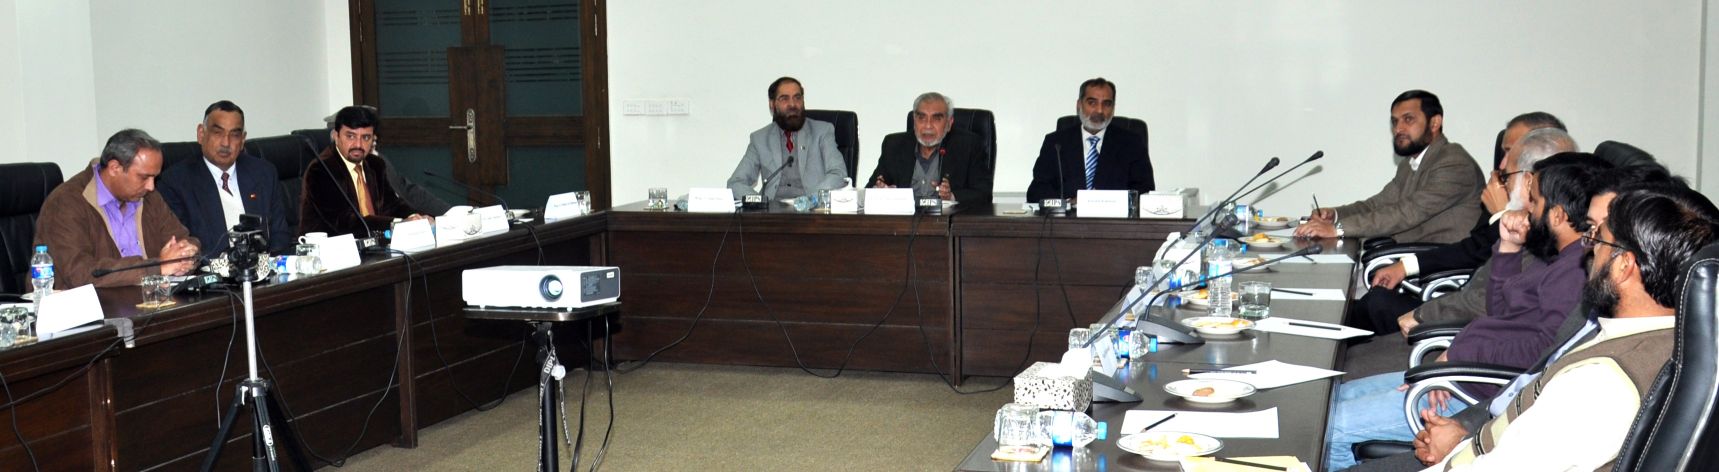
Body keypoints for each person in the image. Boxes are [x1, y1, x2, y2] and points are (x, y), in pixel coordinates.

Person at [1346, 164, 1682, 472]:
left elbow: (1535, 360)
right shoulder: (1578, 285)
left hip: (1468, 398)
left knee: (1332, 426)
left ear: (1626, 264)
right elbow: (1505, 324)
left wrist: (1458, 366)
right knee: (1335, 400)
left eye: (1596, 233)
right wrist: (1508, 248)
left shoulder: (1604, 369)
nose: (1588, 244)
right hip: (1479, 412)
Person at [1417, 183, 1719, 470]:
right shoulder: (1664, 338)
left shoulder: (1598, 385)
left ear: (1624, 265)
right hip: (1476, 442)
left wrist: (1456, 453)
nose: (1589, 250)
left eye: (1599, 240)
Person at [1351, 126, 1576, 335]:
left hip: (1460, 325)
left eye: (1509, 156)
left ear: (1530, 180)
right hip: (1456, 302)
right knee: (1369, 306)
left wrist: (1502, 217)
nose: (1501, 165)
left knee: (1373, 308)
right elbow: (1474, 249)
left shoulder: (1546, 235)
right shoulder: (1515, 211)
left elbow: (1493, 304)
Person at [1297, 90, 1484, 244]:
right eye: (1395, 122)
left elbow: (1407, 213)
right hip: (1412, 256)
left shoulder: (1453, 163)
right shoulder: (1409, 164)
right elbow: (1377, 205)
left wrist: (1337, 229)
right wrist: (1336, 215)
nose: (1398, 129)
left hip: (1440, 264)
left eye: (1408, 119)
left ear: (1434, 123)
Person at [34, 129, 199, 288]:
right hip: (87, 305)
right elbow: (80, 273)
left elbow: (183, 240)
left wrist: (185, 256)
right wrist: (157, 268)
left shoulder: (149, 197)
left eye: (155, 177)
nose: (151, 186)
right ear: (114, 168)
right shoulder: (65, 202)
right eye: (144, 177)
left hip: (148, 299)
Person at [157, 101, 295, 257]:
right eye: (218, 133)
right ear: (201, 134)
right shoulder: (175, 181)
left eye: (234, 135)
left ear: (242, 140)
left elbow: (280, 235)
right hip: (213, 269)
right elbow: (184, 246)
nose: (226, 143)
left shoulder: (264, 173)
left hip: (265, 266)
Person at [300, 106, 430, 236]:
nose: (358, 145)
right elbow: (344, 222)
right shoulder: (321, 169)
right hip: (332, 244)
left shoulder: (376, 164)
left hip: (373, 242)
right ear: (336, 136)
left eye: (366, 137)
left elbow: (392, 205)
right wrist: (398, 223)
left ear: (373, 139)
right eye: (350, 136)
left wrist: (417, 218)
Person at [1025, 77, 1153, 203]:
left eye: (1107, 104)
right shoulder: (1056, 143)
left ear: (1113, 108)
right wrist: (1068, 203)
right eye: (1092, 103)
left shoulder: (1131, 143)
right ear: (1079, 105)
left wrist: (1105, 202)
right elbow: (1037, 190)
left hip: (1114, 216)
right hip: (1068, 215)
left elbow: (1144, 190)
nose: (1099, 110)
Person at [726, 77, 849, 200]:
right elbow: (736, 183)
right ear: (772, 104)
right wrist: (759, 202)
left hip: (811, 207)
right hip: (772, 208)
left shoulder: (822, 131)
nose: (793, 104)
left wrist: (811, 200)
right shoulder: (760, 139)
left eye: (797, 97)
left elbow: (839, 174)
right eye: (784, 98)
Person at [866, 92, 993, 205]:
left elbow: (984, 193)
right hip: (903, 221)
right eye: (921, 118)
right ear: (914, 121)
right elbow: (871, 188)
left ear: (949, 123)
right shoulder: (894, 145)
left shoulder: (968, 146)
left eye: (936, 119)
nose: (928, 125)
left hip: (947, 222)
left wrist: (951, 197)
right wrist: (879, 192)